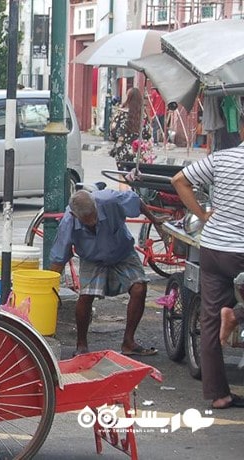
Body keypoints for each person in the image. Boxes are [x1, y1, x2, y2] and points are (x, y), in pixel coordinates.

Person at [171, 141, 244, 409]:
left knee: (210, 318)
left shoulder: (221, 158)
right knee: (226, 314)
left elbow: (179, 179)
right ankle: (236, 315)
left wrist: (201, 214)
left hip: (214, 248)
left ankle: (219, 395)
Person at [48, 189, 163, 358]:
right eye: (88, 222)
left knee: (139, 288)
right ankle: (81, 345)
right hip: (92, 257)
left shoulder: (110, 200)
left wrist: (155, 220)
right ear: (75, 216)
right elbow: (59, 257)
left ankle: (129, 342)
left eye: (94, 216)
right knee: (86, 296)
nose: (93, 222)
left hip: (121, 251)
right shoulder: (68, 221)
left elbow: (136, 201)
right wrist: (50, 289)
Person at [109, 87, 152, 168]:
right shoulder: (144, 115)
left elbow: (113, 132)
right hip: (139, 151)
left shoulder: (120, 114)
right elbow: (148, 134)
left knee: (122, 177)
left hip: (122, 151)